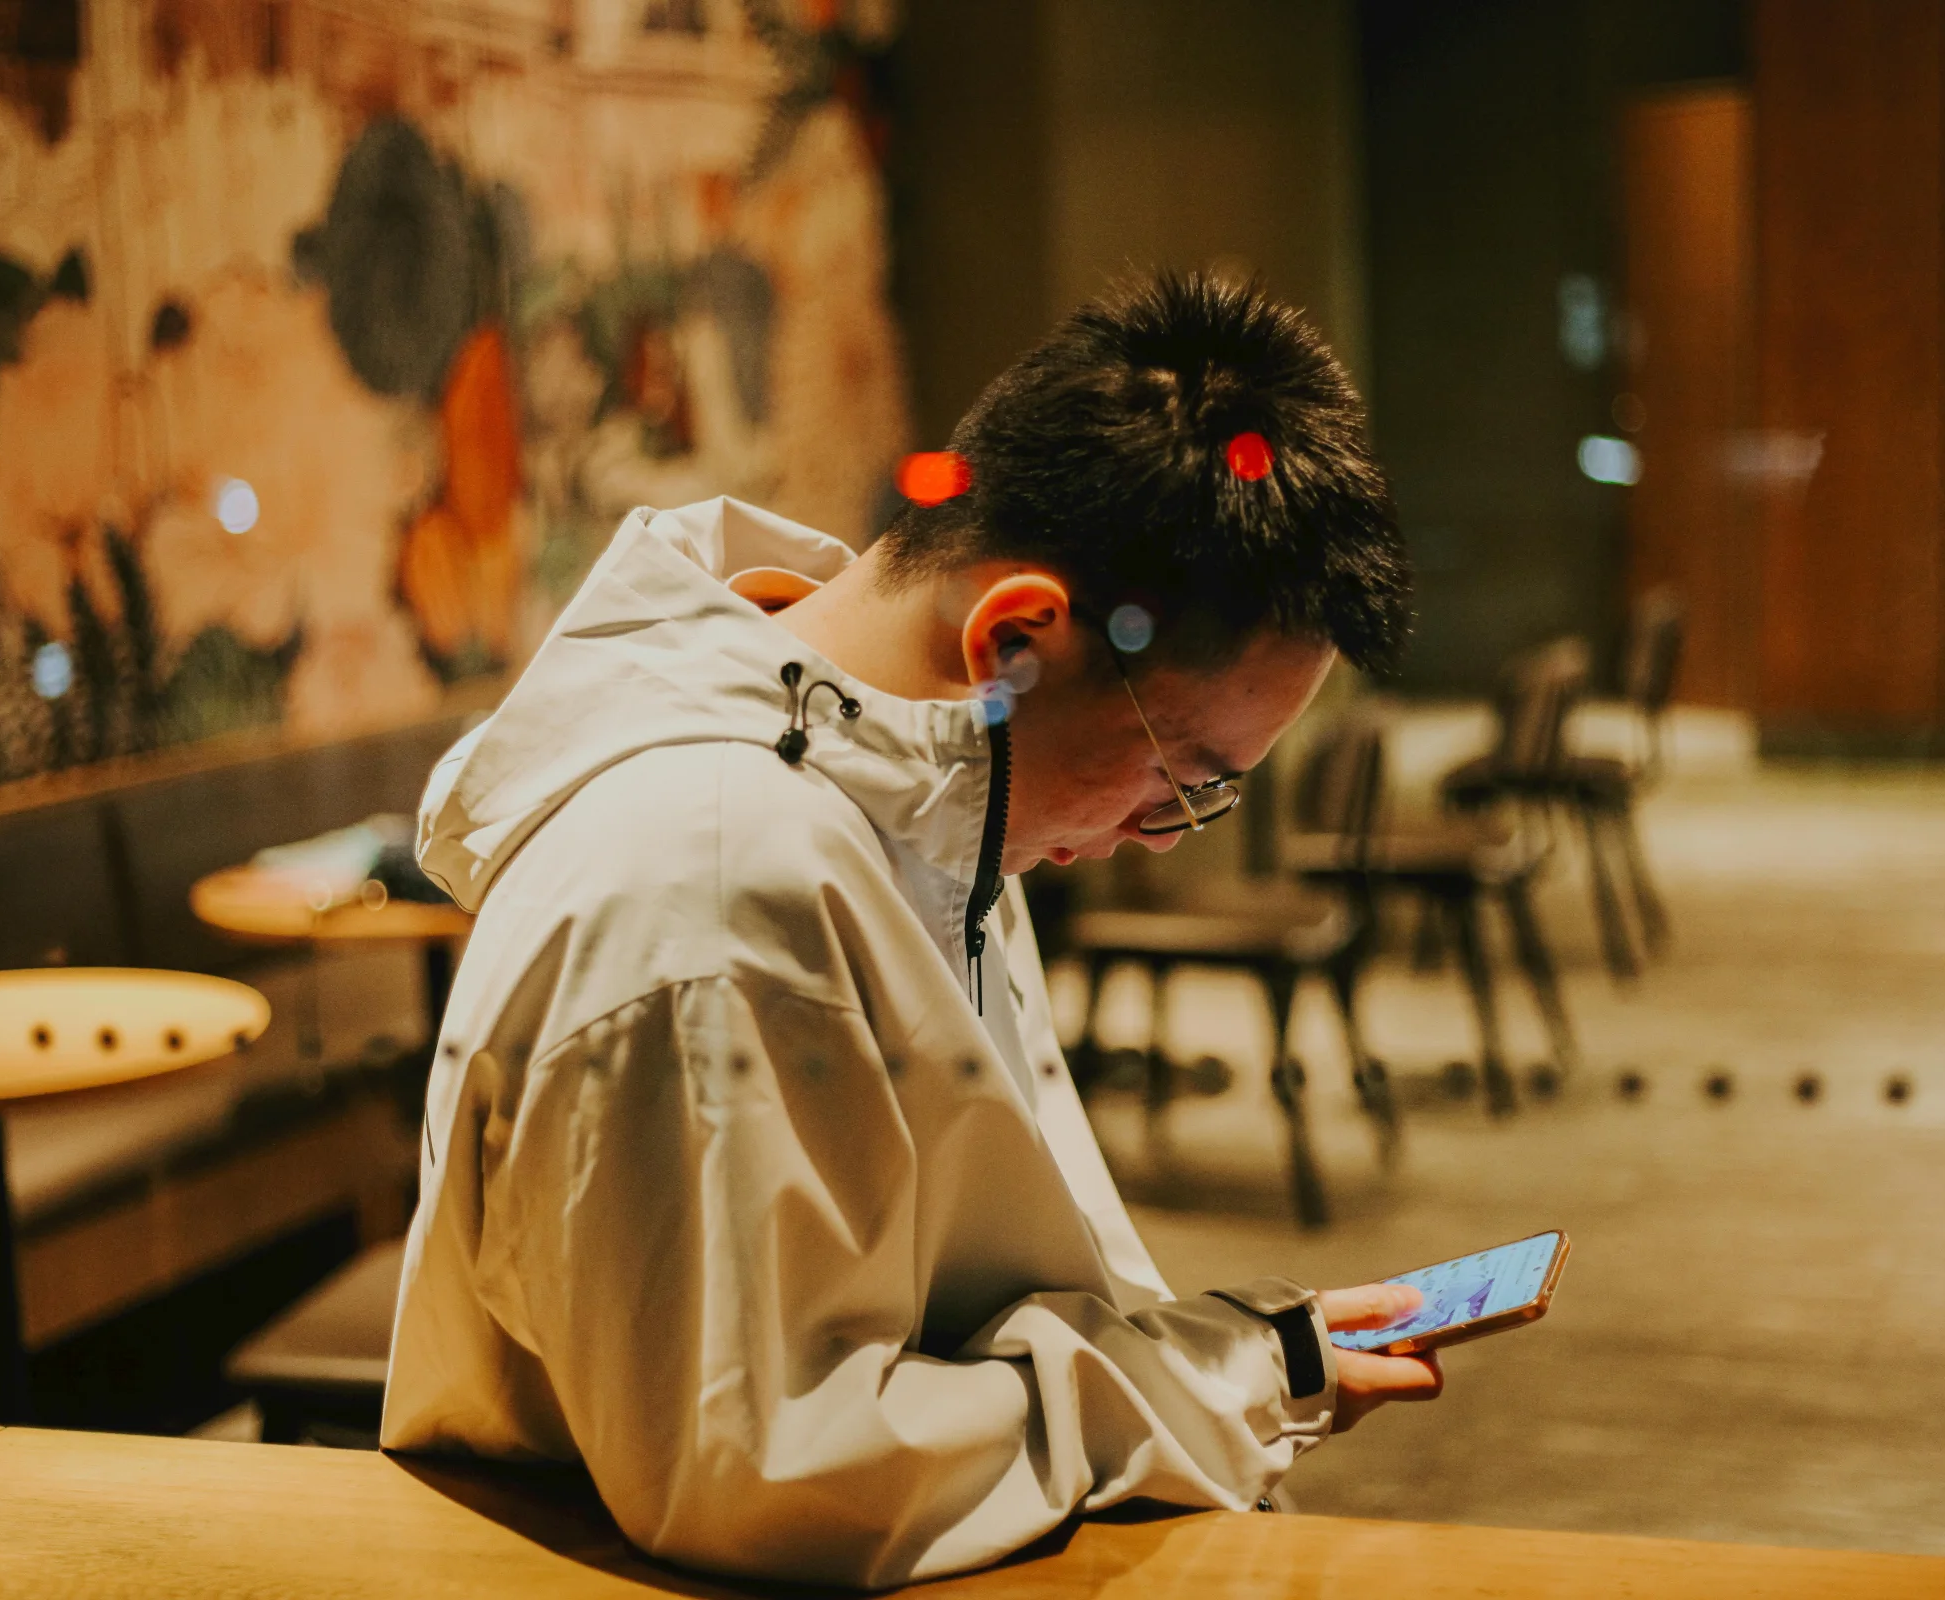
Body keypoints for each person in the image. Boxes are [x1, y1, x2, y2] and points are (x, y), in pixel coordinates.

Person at [381, 270, 1439, 1586]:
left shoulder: (927, 806)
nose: (1166, 834)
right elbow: (762, 1474)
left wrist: (1231, 1359)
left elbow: (969, 1296)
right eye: (1185, 774)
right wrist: (1213, 1382)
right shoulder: (715, 883)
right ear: (1016, 641)